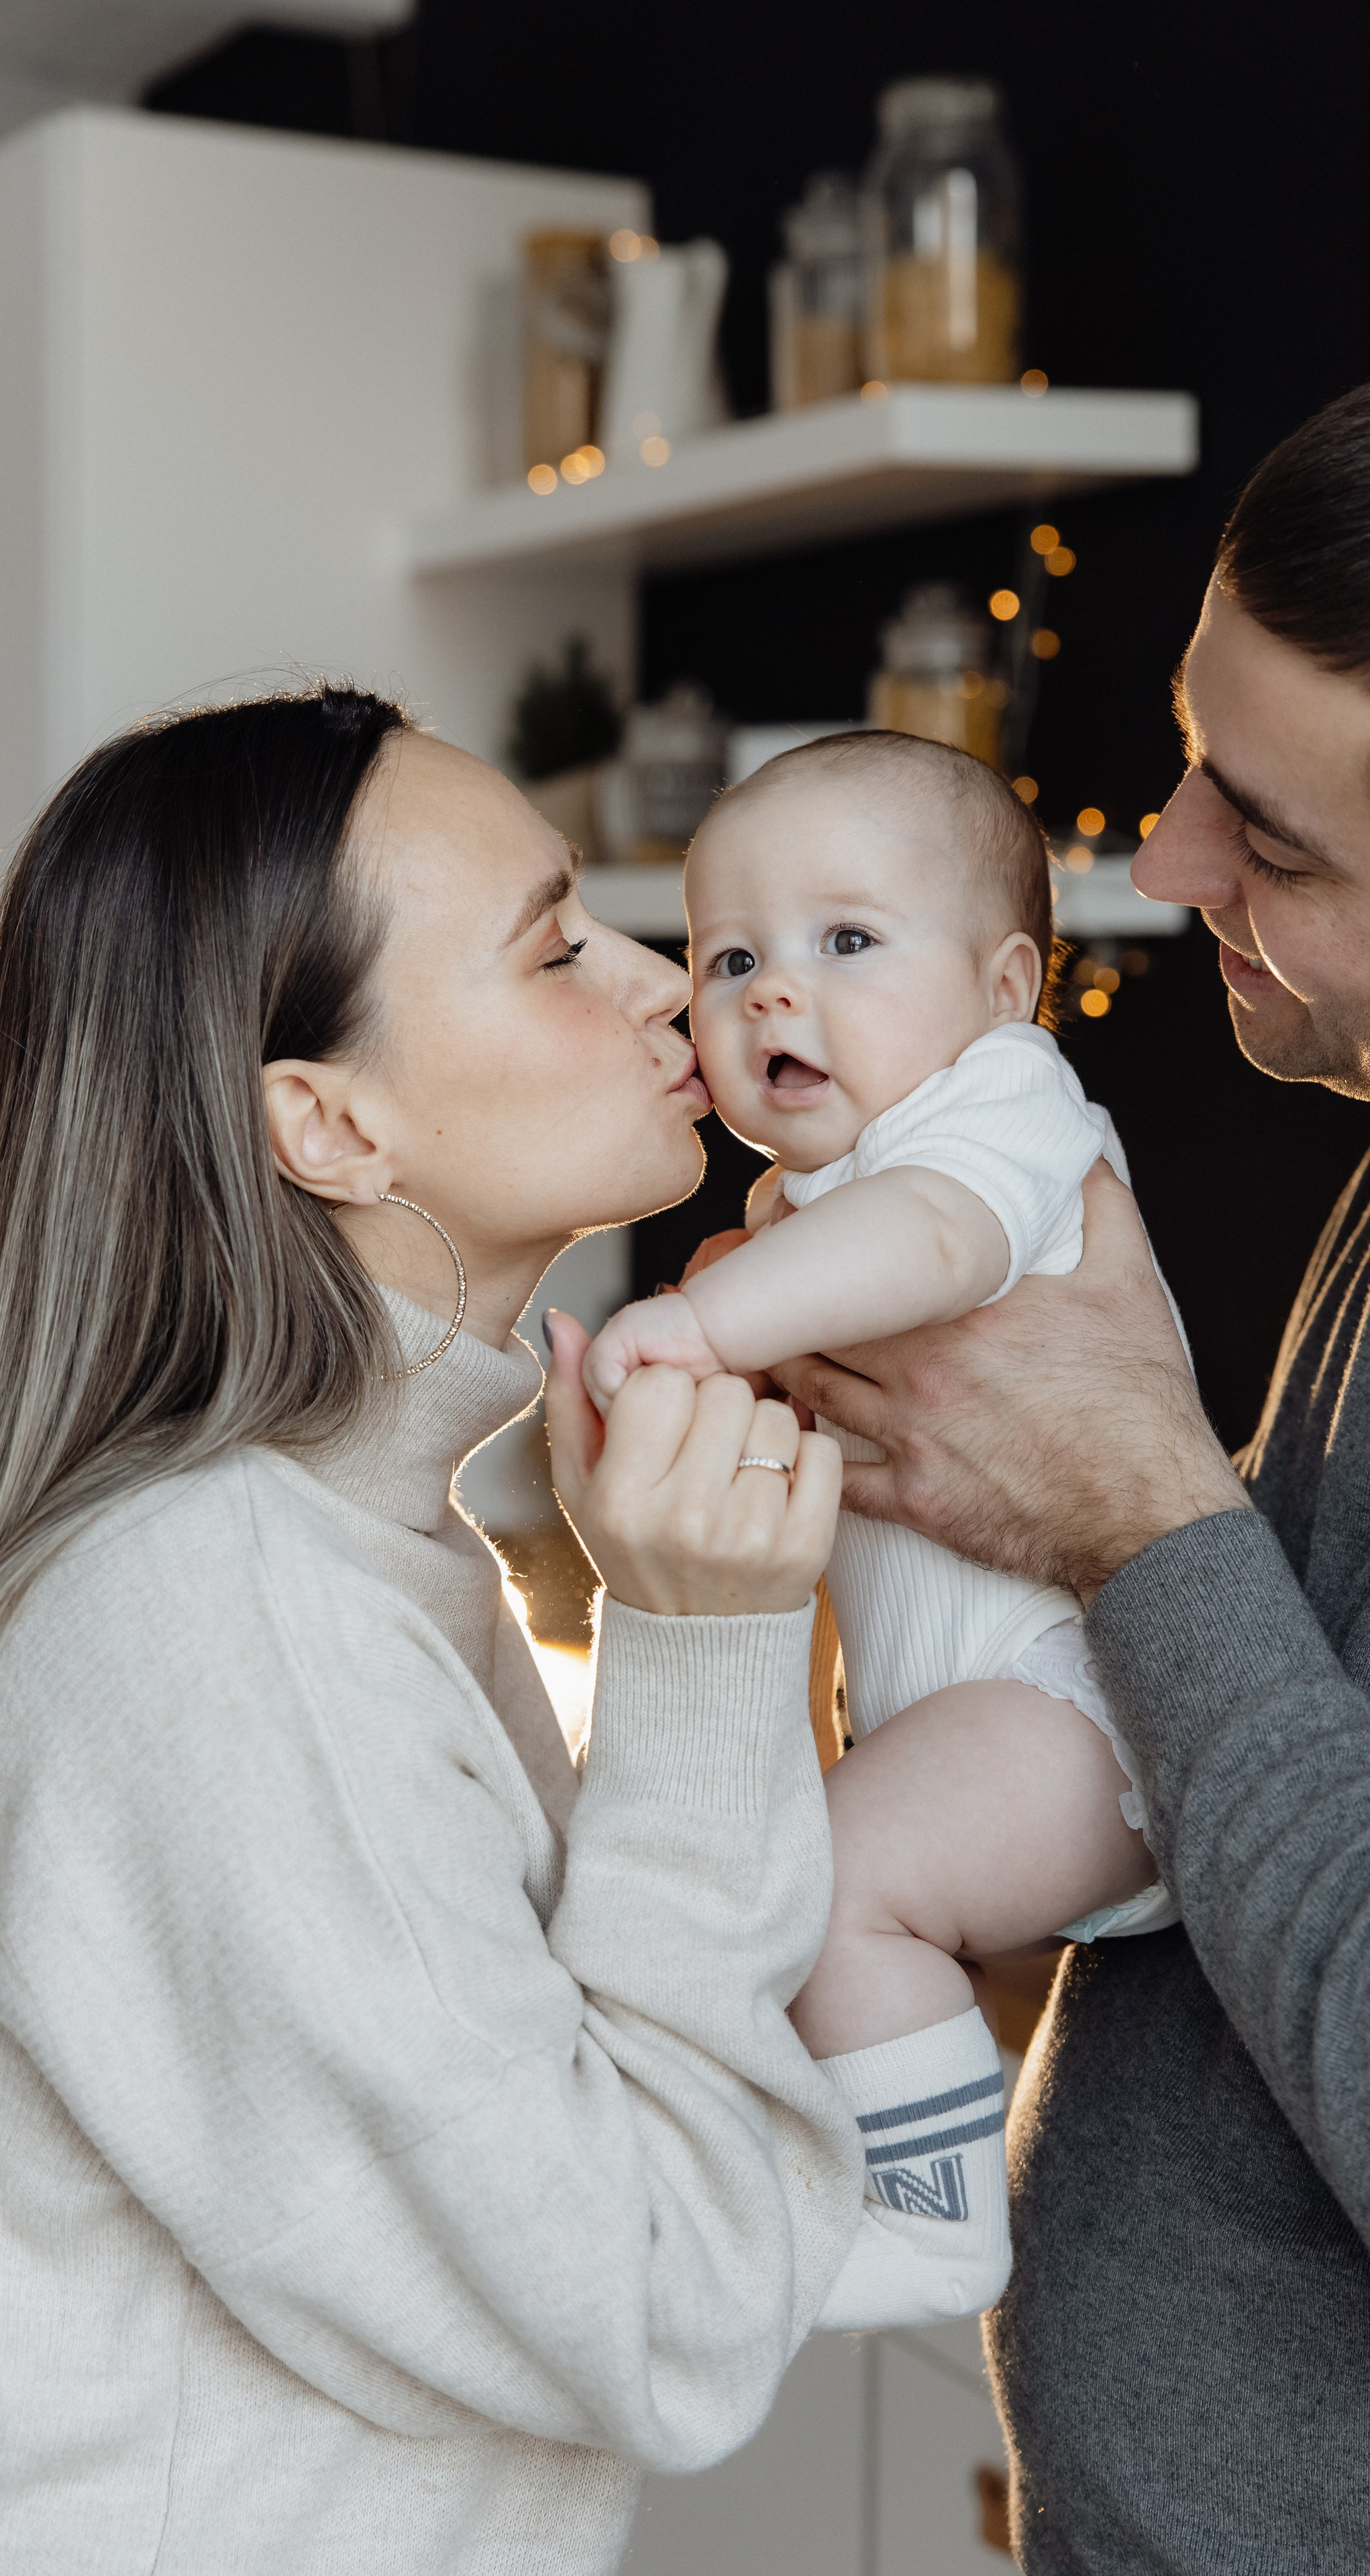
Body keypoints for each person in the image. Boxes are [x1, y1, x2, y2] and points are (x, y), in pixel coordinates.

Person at [770, 319, 1370, 2573]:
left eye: (1271, 838)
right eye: (1199, 761)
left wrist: (1143, 1514)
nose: (1167, 856)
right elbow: (1281, 1780)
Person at [0, 684, 858, 2575]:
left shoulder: (355, 1546)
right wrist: (700, 1653)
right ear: (327, 1122)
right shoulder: (222, 1620)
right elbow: (660, 2309)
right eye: (556, 950)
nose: (663, 983)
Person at [584, 729, 1178, 2334]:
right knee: (806, 1887)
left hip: (1086, 1707)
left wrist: (699, 1327)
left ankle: (933, 2229)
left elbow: (929, 1244)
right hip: (979, 1728)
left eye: (845, 940)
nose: (774, 991)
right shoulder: (798, 1211)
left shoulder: (1002, 1113)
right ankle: (852, 2165)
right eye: (729, 959)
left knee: (831, 1881)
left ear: (1004, 990)